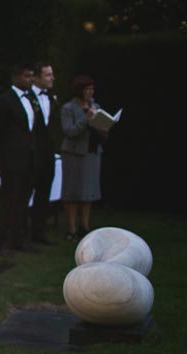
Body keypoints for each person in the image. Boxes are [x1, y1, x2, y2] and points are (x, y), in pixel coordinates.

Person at [0, 63, 42, 257]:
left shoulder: (31, 100)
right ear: (16, 77)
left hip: (29, 158)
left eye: (31, 76)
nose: (30, 79)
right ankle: (3, 241)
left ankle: (19, 238)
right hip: (11, 160)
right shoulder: (4, 101)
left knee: (23, 201)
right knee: (8, 202)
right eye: (27, 76)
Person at [60, 75, 107, 240]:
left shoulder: (95, 106)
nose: (90, 92)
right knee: (73, 192)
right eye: (87, 89)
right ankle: (71, 229)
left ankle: (85, 227)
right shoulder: (68, 108)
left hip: (92, 152)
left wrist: (104, 124)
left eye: (92, 89)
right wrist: (86, 119)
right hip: (74, 154)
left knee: (88, 192)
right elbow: (69, 132)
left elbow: (101, 130)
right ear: (79, 91)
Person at [30, 62, 59, 245]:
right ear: (37, 77)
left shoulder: (51, 97)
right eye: (48, 75)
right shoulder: (27, 96)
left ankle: (39, 232)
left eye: (52, 74)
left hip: (48, 152)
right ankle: (22, 232)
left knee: (44, 192)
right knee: (26, 194)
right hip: (32, 152)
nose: (52, 78)